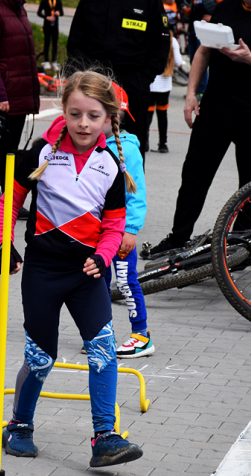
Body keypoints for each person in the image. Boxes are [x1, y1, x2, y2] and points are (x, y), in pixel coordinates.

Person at [0, 70, 143, 467]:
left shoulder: (110, 165)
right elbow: (11, 199)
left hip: (87, 275)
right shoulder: (43, 153)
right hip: (42, 271)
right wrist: (3, 243)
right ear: (63, 110)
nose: (83, 123)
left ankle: (105, 437)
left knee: (103, 350)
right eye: (75, 113)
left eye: (93, 116)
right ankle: (20, 426)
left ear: (108, 119)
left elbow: (114, 226)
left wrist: (103, 256)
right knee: (40, 355)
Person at [145, 0, 251, 256]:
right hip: (214, 106)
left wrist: (250, 59)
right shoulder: (226, 8)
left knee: (250, 180)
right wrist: (192, 93)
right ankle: (178, 237)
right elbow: (204, 51)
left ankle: (242, 243)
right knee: (194, 174)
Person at [67, 0, 169, 159]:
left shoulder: (150, 3)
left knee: (130, 150)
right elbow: (75, 43)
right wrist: (81, 81)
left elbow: (161, 44)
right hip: (93, 86)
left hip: (133, 86)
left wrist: (143, 78)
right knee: (85, 149)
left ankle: (130, 184)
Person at [103, 83, 154, 359]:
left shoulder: (128, 151)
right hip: (95, 231)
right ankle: (101, 332)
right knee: (96, 281)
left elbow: (136, 194)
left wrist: (131, 229)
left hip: (120, 231)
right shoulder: (89, 147)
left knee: (124, 280)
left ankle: (141, 335)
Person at [0, 0, 40, 220]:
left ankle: (6, 202)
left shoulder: (18, 9)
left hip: (18, 96)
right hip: (3, 98)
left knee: (10, 151)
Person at [148, 29, 183, 154]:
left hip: (150, 83)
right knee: (162, 115)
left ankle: (145, 142)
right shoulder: (172, 40)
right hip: (164, 85)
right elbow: (178, 62)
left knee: (147, 115)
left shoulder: (149, 36)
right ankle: (163, 144)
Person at [37, 0, 63, 70]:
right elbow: (39, 13)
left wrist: (59, 13)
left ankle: (54, 61)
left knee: (55, 43)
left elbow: (62, 13)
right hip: (47, 26)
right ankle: (46, 61)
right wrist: (46, 17)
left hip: (55, 26)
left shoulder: (58, 1)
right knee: (47, 43)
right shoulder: (44, 1)